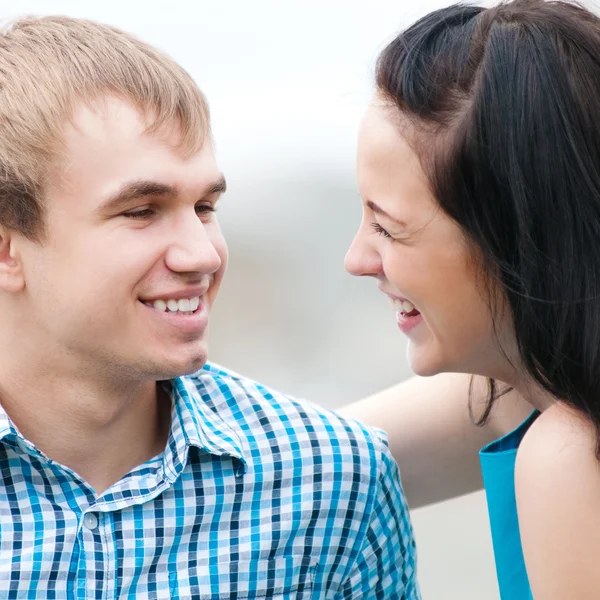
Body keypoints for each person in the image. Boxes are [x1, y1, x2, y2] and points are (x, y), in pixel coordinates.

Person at [0, 16, 421, 599]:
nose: (202, 254)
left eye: (204, 207)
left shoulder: (334, 483)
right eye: (141, 210)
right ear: (7, 248)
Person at [342, 0, 600, 598]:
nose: (355, 259)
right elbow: (284, 467)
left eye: (387, 226)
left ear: (516, 235)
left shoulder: (569, 451)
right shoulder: (525, 386)